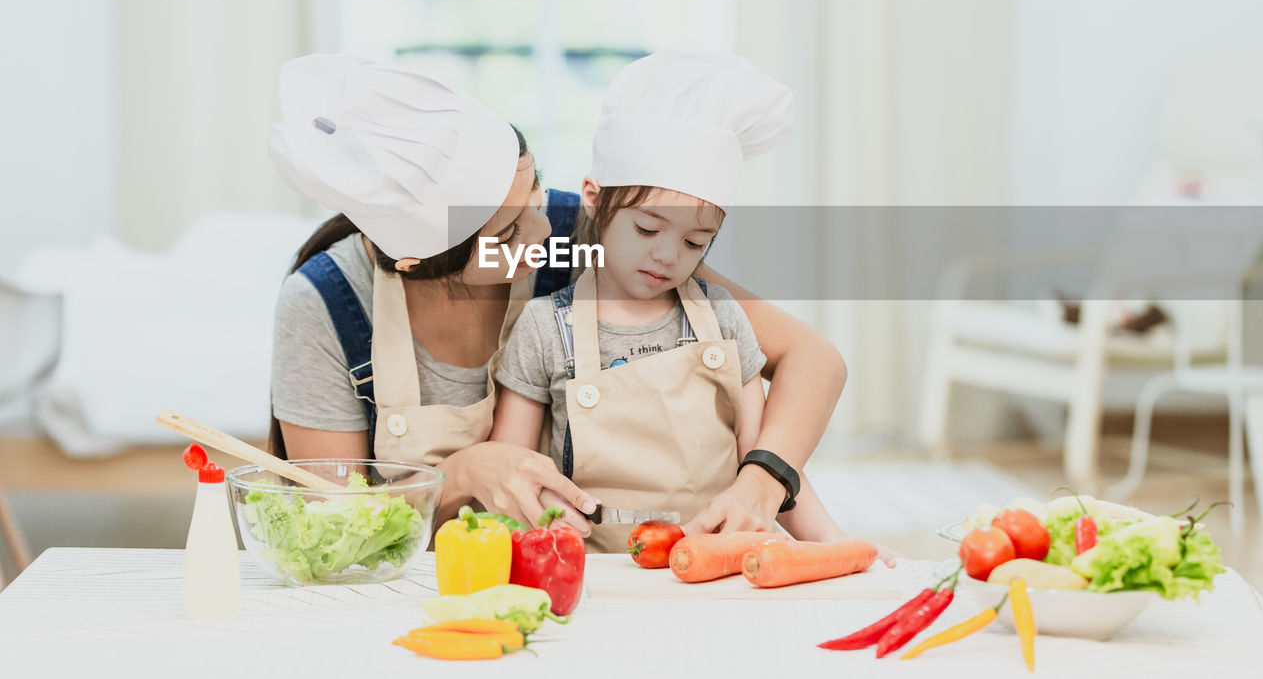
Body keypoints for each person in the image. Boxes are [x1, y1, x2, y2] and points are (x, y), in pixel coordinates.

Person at [268, 53, 848, 537]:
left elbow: (813, 359)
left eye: (536, 194)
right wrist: (465, 474)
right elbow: (342, 529)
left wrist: (763, 480)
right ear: (417, 262)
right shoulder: (324, 308)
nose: (545, 235)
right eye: (509, 233)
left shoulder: (587, 241)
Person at [489, 51, 846, 551]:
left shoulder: (724, 318)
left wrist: (834, 543)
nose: (666, 256)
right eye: (647, 228)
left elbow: (767, 466)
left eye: (695, 242)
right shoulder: (544, 327)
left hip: (711, 565)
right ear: (593, 197)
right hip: (591, 571)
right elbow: (510, 469)